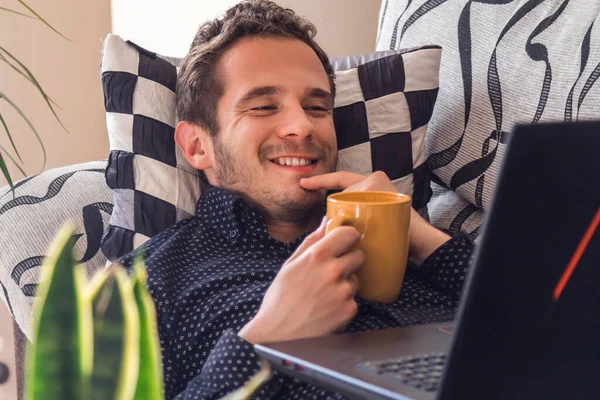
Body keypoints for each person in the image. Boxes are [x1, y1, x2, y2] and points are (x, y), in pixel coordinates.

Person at [118, 1, 475, 398]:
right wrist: (264, 340)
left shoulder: (425, 248)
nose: (302, 126)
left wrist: (418, 233)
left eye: (316, 107)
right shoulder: (145, 284)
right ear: (197, 145)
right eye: (264, 106)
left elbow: (546, 321)